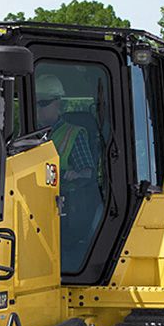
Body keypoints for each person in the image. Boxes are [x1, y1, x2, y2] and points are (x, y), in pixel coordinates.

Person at [35, 72, 103, 266]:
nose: (37, 110)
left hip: (66, 212)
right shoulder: (28, 136)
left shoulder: (73, 134)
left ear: (57, 104)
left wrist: (68, 175)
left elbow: (88, 173)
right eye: (35, 103)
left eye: (43, 104)